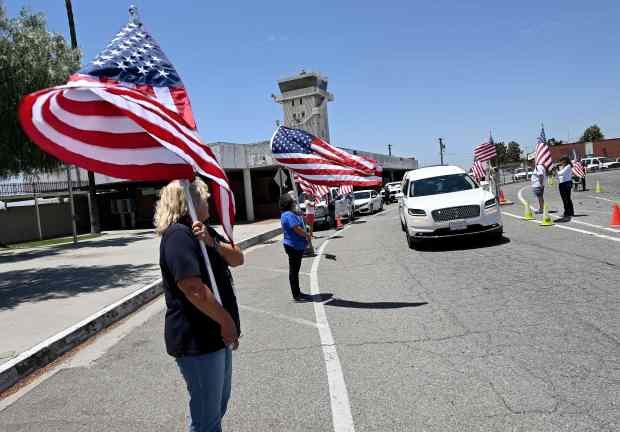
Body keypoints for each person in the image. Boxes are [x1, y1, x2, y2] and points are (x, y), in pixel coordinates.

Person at [155, 178, 244, 432]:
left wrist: (212, 243)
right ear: (189, 202)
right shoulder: (178, 236)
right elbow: (192, 289)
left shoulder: (201, 230)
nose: (208, 202)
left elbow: (238, 259)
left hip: (215, 337)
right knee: (207, 419)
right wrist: (226, 322)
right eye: (204, 197)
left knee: (215, 409)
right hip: (198, 340)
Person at [280, 192, 310, 301]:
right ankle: (296, 295)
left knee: (295, 271)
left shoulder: (290, 213)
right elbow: (296, 228)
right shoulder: (288, 215)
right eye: (292, 201)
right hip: (293, 246)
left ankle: (298, 292)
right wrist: (306, 235)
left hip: (295, 245)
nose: (294, 202)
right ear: (288, 203)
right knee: (293, 271)